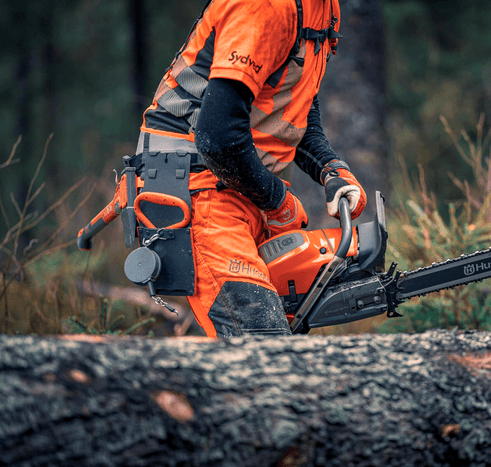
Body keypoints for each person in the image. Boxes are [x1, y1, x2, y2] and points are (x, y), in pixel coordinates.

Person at [127, 0, 366, 337]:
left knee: (285, 329)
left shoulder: (322, 9)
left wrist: (330, 169)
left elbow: (293, 109)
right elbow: (217, 138)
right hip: (194, 190)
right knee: (263, 343)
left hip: (240, 184)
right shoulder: (266, 6)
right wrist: (277, 200)